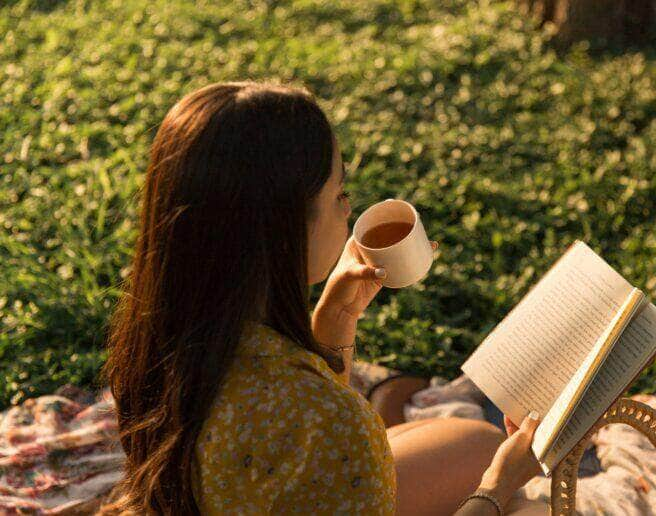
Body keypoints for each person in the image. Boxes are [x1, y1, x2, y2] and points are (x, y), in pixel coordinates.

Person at [99, 81, 546, 515]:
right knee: (524, 504)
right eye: (337, 195)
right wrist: (498, 487)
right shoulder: (329, 421)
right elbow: (314, 423)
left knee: (477, 444)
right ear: (286, 228)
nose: (348, 210)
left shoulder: (160, 342)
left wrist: (336, 319)